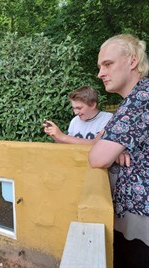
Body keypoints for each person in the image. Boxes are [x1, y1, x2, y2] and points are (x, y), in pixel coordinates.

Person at [89, 34, 149, 268]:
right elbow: (100, 137)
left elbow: (97, 157)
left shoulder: (140, 100)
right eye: (100, 66)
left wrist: (108, 145)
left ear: (132, 61)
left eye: (108, 64)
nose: (100, 73)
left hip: (142, 226)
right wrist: (111, 142)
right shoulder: (133, 100)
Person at [43, 86, 113, 144]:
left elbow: (98, 144)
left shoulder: (107, 118)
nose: (76, 112)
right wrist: (55, 135)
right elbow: (67, 145)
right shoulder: (75, 120)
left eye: (79, 108)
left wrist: (62, 137)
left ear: (92, 104)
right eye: (74, 108)